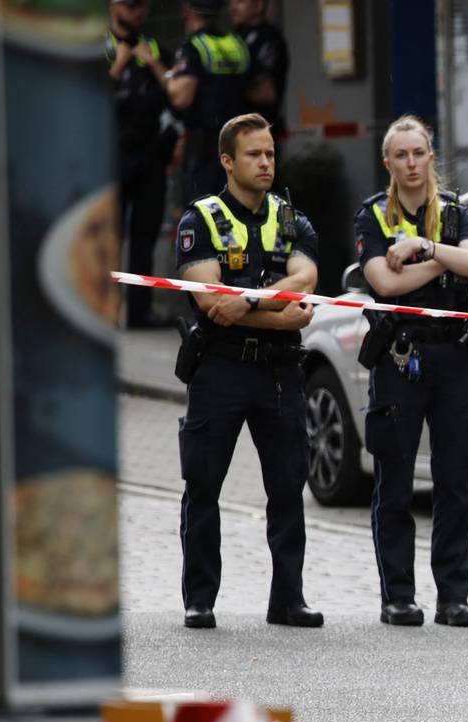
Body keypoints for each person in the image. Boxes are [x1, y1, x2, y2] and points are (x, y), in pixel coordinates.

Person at [172, 113, 321, 629]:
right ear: (227, 161)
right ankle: (200, 599)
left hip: (279, 371)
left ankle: (288, 599)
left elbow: (306, 277)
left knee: (288, 487)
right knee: (203, 486)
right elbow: (213, 302)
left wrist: (255, 304)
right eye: (255, 154)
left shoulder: (291, 218)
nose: (266, 163)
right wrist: (279, 313)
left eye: (271, 153)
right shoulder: (201, 220)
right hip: (221, 369)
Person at [353, 116, 468, 628]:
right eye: (401, 156)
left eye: (419, 153)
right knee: (396, 483)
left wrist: (423, 249)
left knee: (455, 482)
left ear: (432, 157)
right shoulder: (372, 216)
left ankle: (453, 597)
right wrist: (440, 262)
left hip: (454, 359)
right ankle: (399, 597)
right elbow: (385, 285)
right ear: (387, 163)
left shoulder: (455, 213)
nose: (411, 163)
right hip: (399, 360)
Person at [106, 0, 180, 328]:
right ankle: (103, 309)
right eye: (131, 5)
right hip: (111, 154)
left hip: (150, 154)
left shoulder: (153, 48)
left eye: (142, 6)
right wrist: (118, 65)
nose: (138, 13)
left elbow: (177, 94)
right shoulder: (102, 47)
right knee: (109, 236)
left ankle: (139, 311)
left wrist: (152, 65)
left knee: (144, 236)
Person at [166, 0, 248, 202]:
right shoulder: (236, 44)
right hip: (239, 147)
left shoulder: (194, 47)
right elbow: (257, 90)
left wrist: (167, 78)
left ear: (187, 12)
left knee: (203, 218)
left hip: (205, 151)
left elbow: (181, 98)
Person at [229, 0, 289, 139]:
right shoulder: (235, 37)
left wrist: (225, 92)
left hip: (258, 132)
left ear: (258, 5)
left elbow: (266, 93)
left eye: (239, 2)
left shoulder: (268, 38)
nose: (232, 8)